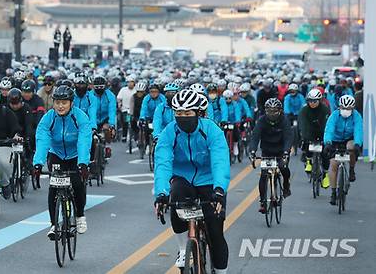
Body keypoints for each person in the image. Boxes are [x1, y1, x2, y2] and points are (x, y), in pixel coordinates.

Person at [153, 89, 230, 274]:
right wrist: (161, 193)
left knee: (216, 234)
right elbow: (162, 163)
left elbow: (220, 160)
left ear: (198, 113)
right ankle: (182, 249)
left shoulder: (211, 130)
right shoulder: (169, 131)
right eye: (178, 113)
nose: (182, 117)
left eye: (188, 113)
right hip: (182, 178)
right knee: (175, 198)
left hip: (209, 180)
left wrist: (219, 190)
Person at [33, 85, 91, 238]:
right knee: (54, 186)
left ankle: (79, 215)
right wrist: (38, 163)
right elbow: (43, 139)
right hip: (56, 154)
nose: (60, 106)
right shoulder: (49, 117)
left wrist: (83, 162)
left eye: (64, 102)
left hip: (75, 155)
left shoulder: (80, 117)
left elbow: (84, 140)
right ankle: (53, 224)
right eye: (57, 102)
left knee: (77, 183)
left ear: (71, 103)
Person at [249, 98, 293, 213]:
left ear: (280, 111)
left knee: (284, 168)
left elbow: (288, 137)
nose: (272, 113)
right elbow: (255, 136)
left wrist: (286, 152)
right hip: (267, 151)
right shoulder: (262, 120)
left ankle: (286, 184)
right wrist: (253, 151)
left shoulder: (284, 120)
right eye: (269, 111)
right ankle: (263, 202)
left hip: (280, 151)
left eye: (275, 111)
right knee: (263, 175)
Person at [323, 95, 362, 205]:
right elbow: (329, 129)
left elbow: (358, 129)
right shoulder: (334, 115)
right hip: (335, 140)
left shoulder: (356, 116)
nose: (345, 111)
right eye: (343, 108)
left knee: (351, 148)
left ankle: (351, 169)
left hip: (349, 139)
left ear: (352, 108)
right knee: (333, 165)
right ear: (339, 107)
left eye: (348, 109)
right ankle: (333, 192)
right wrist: (328, 143)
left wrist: (358, 144)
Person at [297, 88, 331, 180]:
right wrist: (304, 137)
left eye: (314, 101)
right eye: (310, 101)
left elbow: (328, 124)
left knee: (325, 153)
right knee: (305, 141)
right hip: (309, 130)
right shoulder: (304, 110)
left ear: (319, 100)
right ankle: (308, 160)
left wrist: (327, 138)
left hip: (321, 131)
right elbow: (303, 125)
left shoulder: (325, 109)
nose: (312, 103)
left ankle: (325, 175)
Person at [116, 76, 136, 143]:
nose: (130, 84)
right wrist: (119, 104)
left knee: (134, 123)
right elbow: (119, 98)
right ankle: (124, 135)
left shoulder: (136, 90)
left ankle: (134, 135)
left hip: (134, 109)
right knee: (125, 122)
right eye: (129, 82)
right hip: (125, 109)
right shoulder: (123, 90)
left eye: (131, 82)